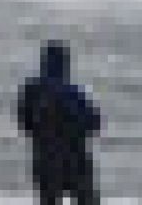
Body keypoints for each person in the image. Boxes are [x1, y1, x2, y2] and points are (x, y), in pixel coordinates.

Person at [16, 40, 101, 204]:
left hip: (44, 157)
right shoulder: (72, 92)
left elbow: (25, 123)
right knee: (86, 199)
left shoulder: (32, 90)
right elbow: (93, 123)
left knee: (49, 200)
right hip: (75, 159)